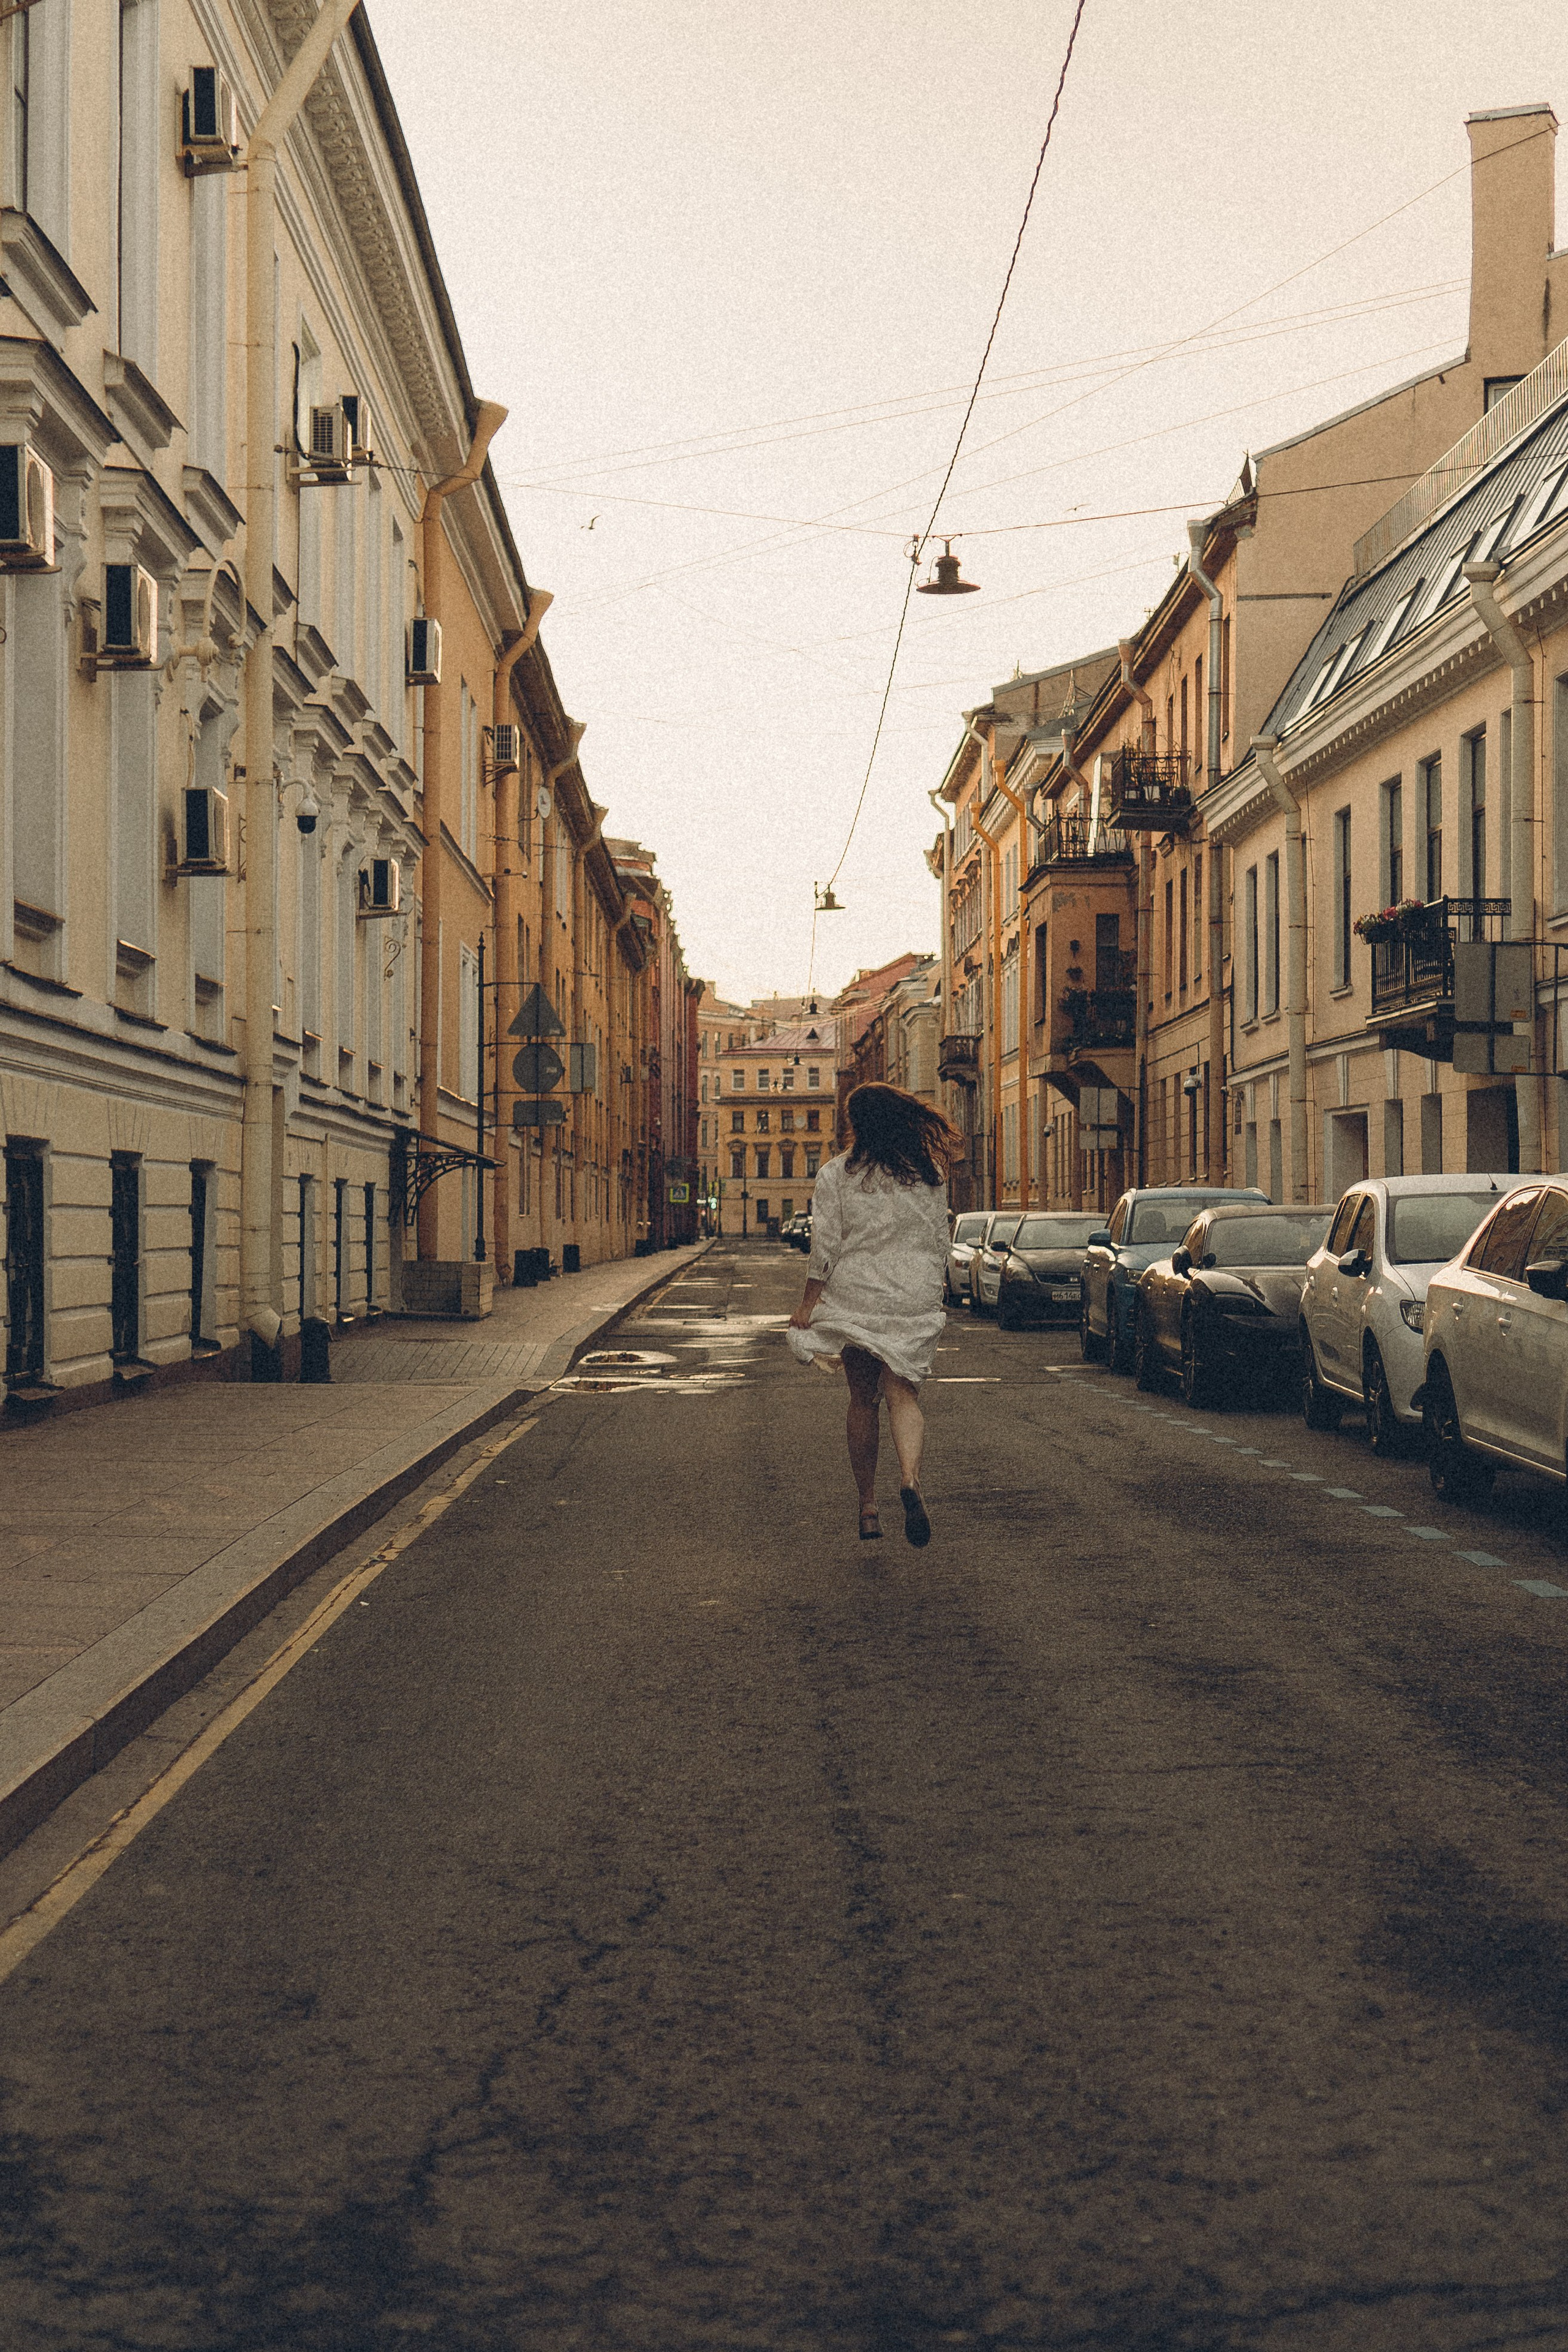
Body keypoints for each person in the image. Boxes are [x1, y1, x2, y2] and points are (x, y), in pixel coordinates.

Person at [788, 1082, 956, 1546]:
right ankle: (910, 1481)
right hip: (910, 1296)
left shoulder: (836, 1175)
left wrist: (808, 1304)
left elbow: (825, 1247)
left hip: (857, 1297)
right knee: (904, 1396)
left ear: (857, 1124)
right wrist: (934, 1291)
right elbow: (939, 1239)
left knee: (863, 1400)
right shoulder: (931, 1174)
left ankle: (867, 1508)